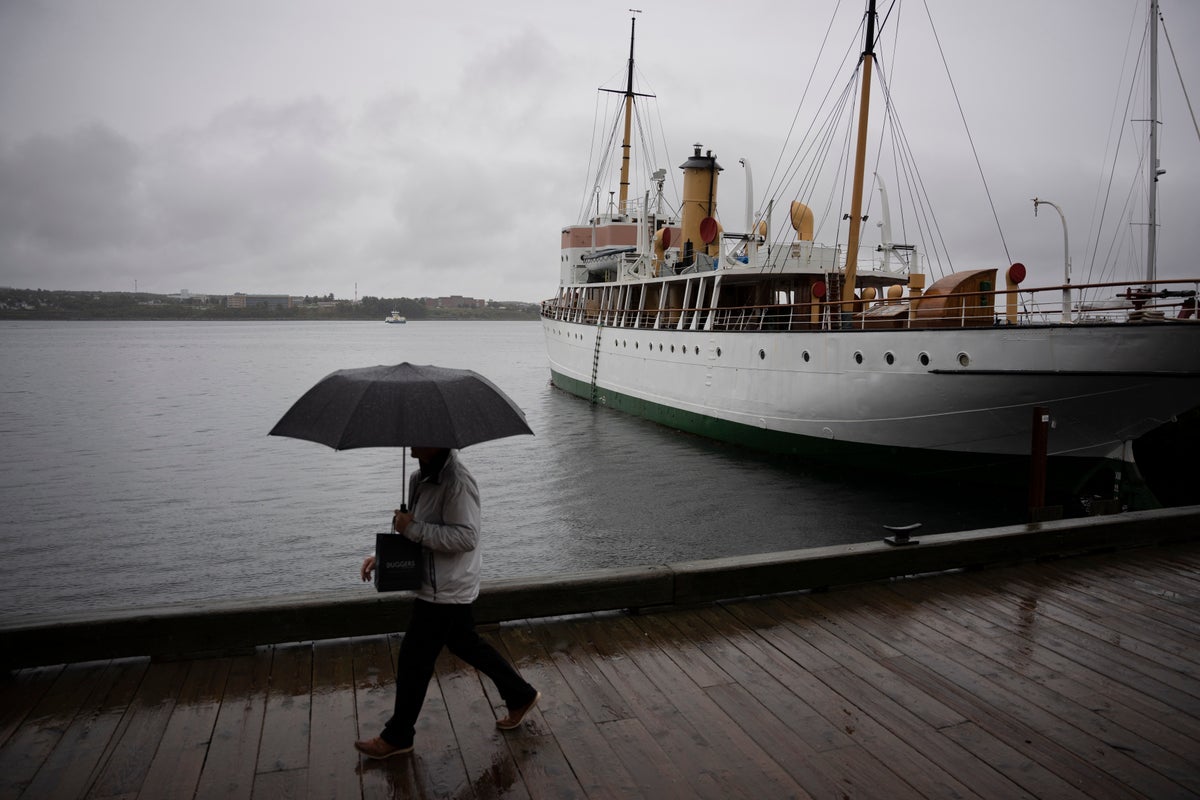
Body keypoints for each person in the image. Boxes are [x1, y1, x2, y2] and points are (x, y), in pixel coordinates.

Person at [354, 446, 540, 759]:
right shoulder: (418, 478)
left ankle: (398, 736)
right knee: (465, 643)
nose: (409, 440)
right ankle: (520, 694)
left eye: (417, 433)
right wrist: (383, 555)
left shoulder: (457, 482)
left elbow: (466, 537)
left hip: (447, 587)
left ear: (435, 439)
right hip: (433, 583)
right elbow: (412, 530)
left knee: (414, 659)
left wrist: (412, 528)